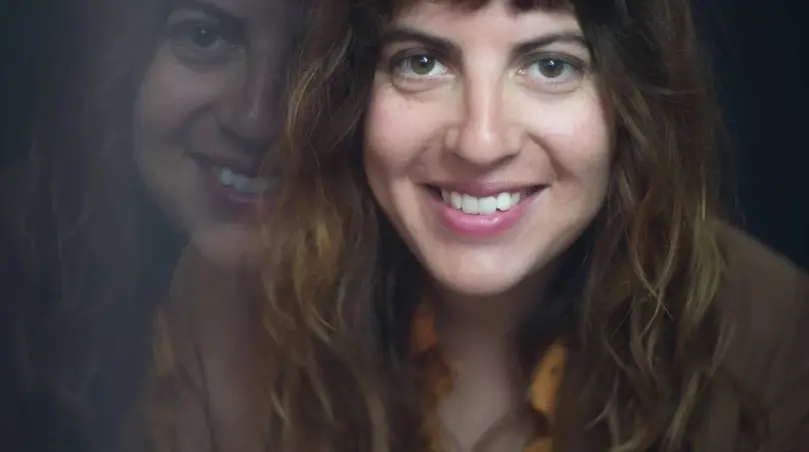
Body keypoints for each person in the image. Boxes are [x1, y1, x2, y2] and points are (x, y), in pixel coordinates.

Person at [258, 0, 809, 450]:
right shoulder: (239, 317)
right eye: (421, 62)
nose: (481, 143)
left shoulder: (778, 334)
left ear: (638, 100)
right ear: (350, 92)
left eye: (551, 65)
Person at [0, 0, 301, 451]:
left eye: (314, 59)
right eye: (204, 37)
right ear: (118, 56)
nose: (257, 121)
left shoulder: (390, 318)